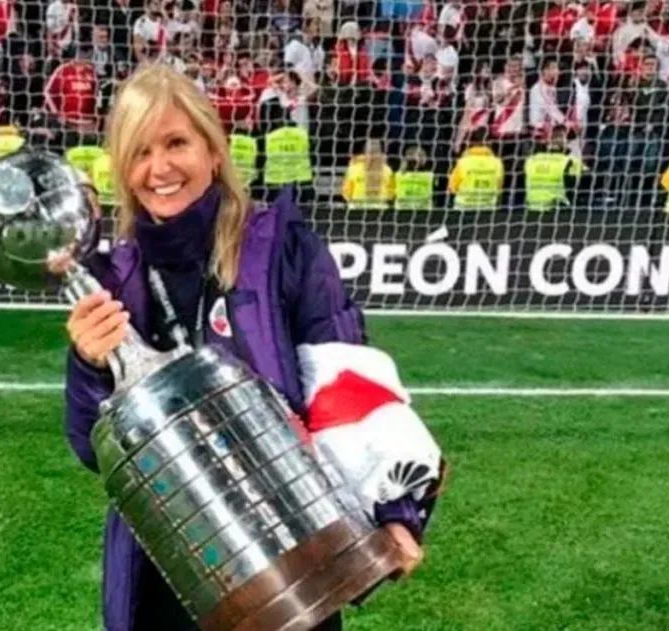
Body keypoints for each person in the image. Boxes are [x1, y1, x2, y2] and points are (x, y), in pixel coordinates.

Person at [55, 64, 433, 631]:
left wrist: (398, 512)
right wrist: (87, 366)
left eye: (176, 142)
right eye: (139, 152)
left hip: (292, 561)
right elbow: (93, 449)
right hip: (162, 574)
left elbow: (348, 385)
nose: (159, 168)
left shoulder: (282, 249)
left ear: (214, 147)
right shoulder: (113, 279)